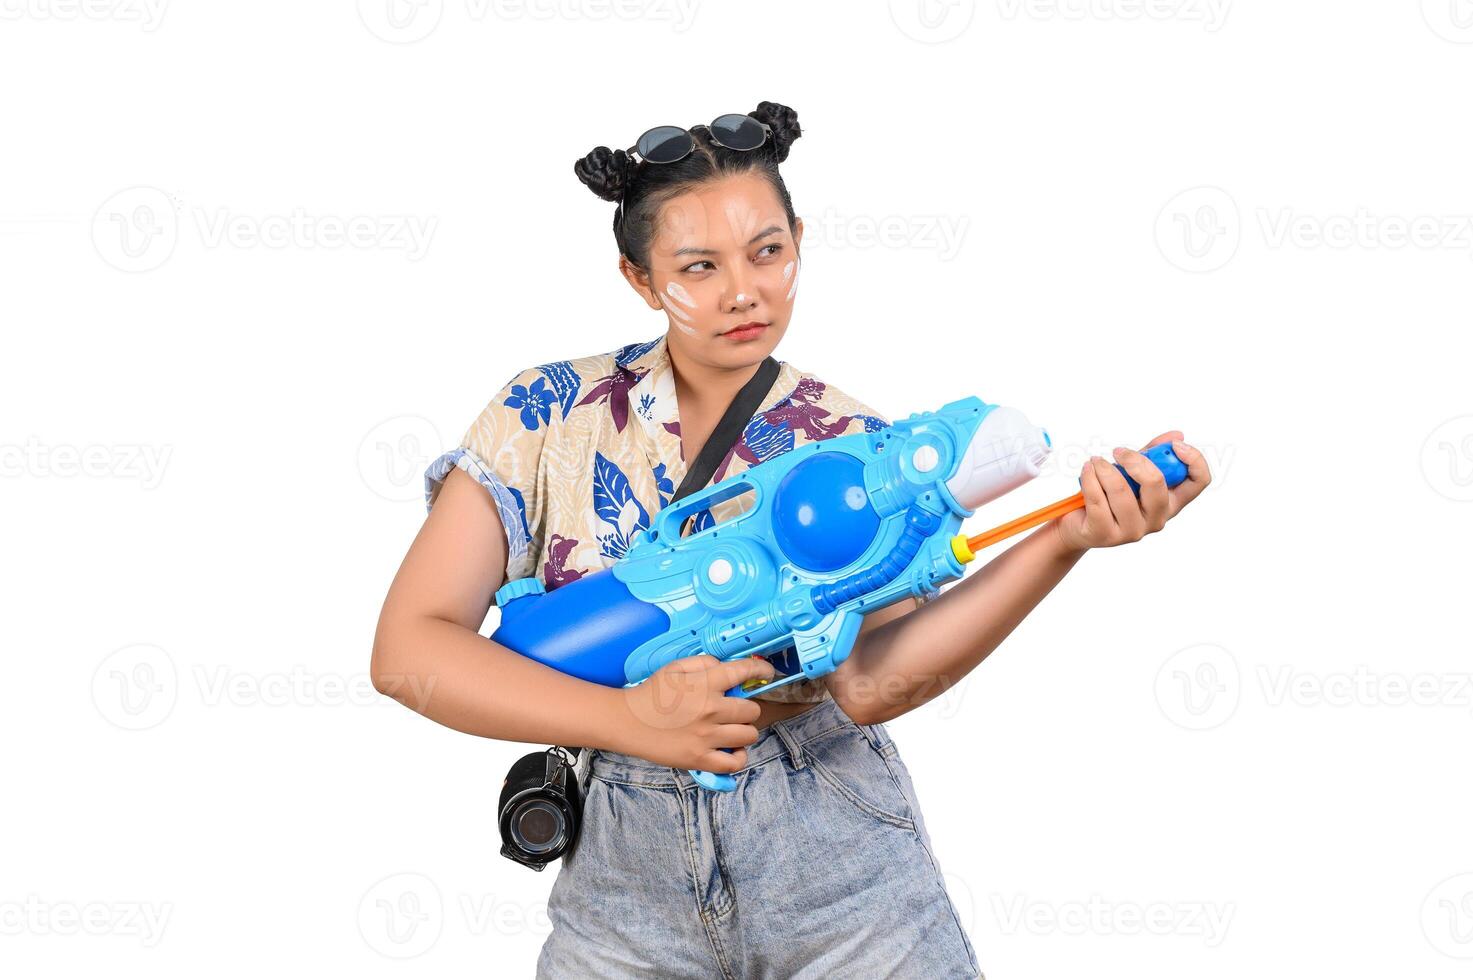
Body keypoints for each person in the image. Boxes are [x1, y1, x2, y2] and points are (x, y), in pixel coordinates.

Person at [370, 100, 1211, 979]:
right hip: (621, 879)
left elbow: (868, 682)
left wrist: (1063, 539)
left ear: (798, 239)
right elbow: (408, 649)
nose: (745, 291)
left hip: (838, 858)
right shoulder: (545, 413)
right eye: (698, 266)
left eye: (768, 251)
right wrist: (626, 721)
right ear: (639, 277)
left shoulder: (850, 439)